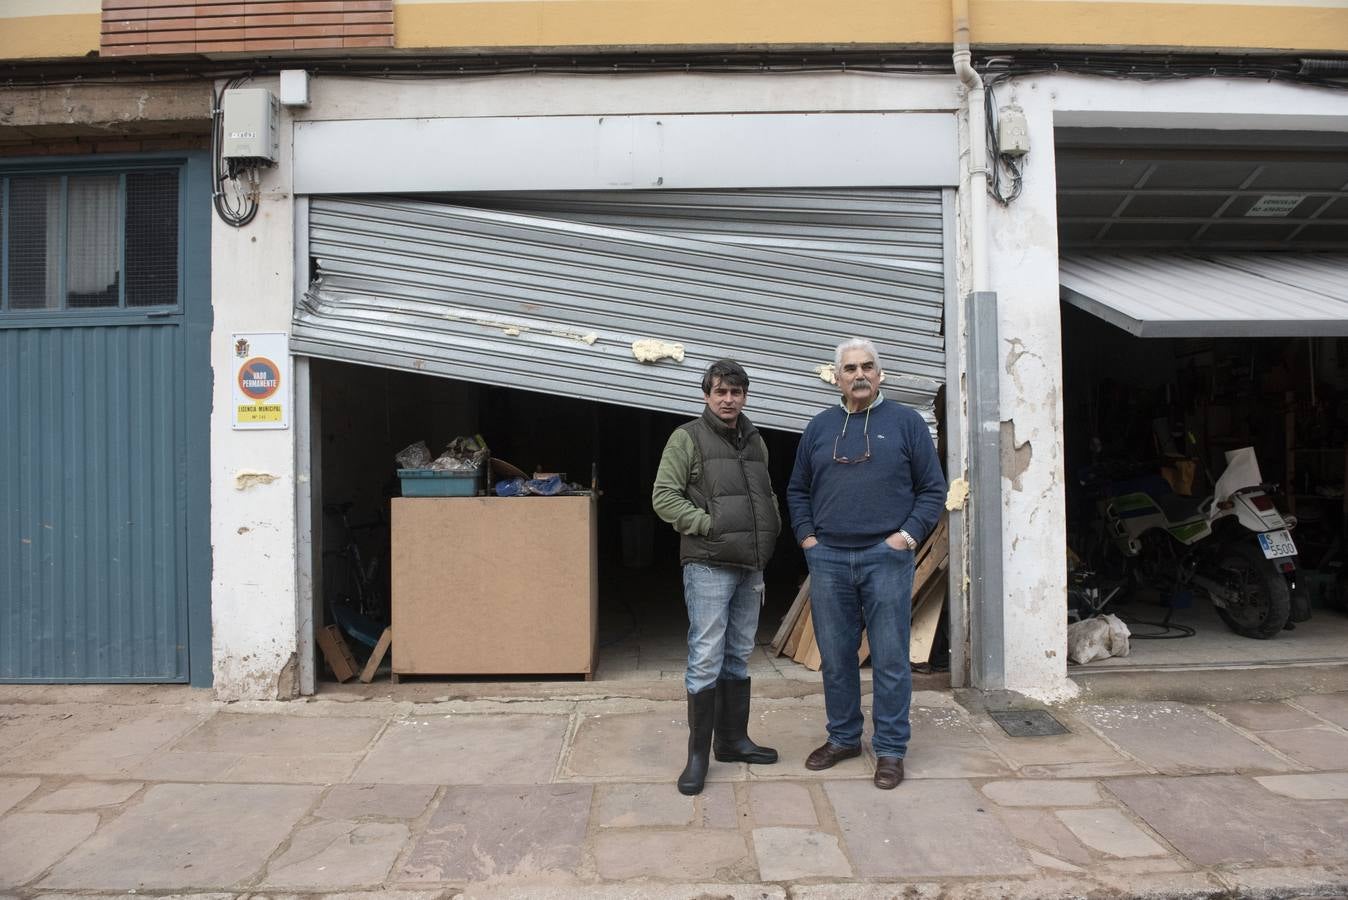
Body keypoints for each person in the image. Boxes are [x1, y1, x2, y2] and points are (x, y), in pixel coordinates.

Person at [786, 338, 946, 790]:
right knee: (836, 659)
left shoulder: (907, 423)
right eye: (850, 368)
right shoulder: (819, 427)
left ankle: (891, 750)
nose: (859, 375)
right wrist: (808, 539)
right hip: (829, 559)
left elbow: (932, 489)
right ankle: (844, 739)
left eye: (867, 367)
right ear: (836, 377)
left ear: (880, 374)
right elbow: (798, 490)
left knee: (891, 658)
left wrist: (906, 537)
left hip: (885, 558)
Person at [652, 359, 782, 795]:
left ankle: (732, 741)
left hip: (750, 565)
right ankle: (697, 757)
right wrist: (711, 526)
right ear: (706, 395)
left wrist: (771, 525)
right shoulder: (686, 438)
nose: (729, 400)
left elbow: (766, 493)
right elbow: (664, 498)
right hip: (709, 564)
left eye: (736, 392)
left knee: (739, 653)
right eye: (720, 392)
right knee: (706, 653)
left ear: (745, 395)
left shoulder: (756, 439)